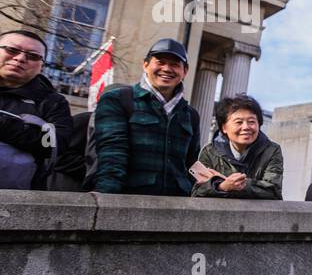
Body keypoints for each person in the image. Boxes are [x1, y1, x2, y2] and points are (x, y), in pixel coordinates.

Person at [90, 38, 201, 196]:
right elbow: (112, 155)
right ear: (145, 65)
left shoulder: (191, 115)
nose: (167, 69)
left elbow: (191, 165)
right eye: (160, 62)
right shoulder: (117, 99)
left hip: (176, 207)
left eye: (175, 64)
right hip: (129, 201)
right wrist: (106, 200)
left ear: (185, 72)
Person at [0, 29, 72, 191]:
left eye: (32, 56)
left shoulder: (53, 103)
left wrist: (5, 125)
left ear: (41, 66)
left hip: (15, 199)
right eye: (12, 50)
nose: (20, 58)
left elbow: (55, 145)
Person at [190, 94, 283, 199]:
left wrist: (225, 184)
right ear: (224, 127)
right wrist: (222, 186)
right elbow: (197, 193)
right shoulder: (210, 151)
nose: (246, 127)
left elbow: (273, 191)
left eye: (251, 122)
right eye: (239, 122)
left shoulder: (272, 150)